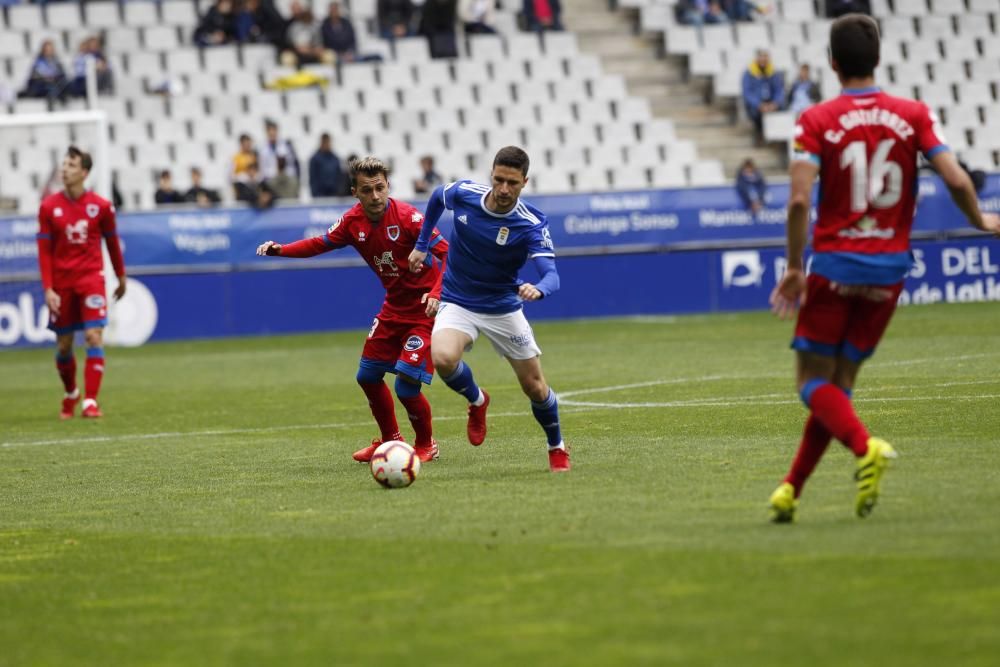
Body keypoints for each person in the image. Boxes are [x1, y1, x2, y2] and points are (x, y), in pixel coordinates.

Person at [767, 14, 1000, 523]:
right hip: (890, 271)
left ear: (832, 63)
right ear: (877, 59)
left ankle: (864, 448)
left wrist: (793, 265)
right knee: (839, 387)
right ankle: (790, 490)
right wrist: (980, 218)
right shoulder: (913, 114)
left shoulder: (814, 121)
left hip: (834, 264)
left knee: (810, 380)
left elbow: (798, 202)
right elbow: (958, 179)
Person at [256, 157, 450, 463]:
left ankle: (426, 444)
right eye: (367, 190)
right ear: (354, 192)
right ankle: (390, 441)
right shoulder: (352, 221)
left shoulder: (410, 218)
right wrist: (282, 250)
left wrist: (437, 293)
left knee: (406, 386)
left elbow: (449, 256)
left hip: (424, 313)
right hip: (393, 309)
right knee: (368, 375)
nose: (375, 196)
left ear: (388, 186)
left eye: (380, 188)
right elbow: (320, 243)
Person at [406, 146, 569, 472]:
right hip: (458, 299)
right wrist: (422, 245)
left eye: (512, 182)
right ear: (491, 175)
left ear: (525, 181)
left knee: (535, 387)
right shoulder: (465, 194)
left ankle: (557, 445)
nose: (504, 189)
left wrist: (539, 289)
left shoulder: (531, 223)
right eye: (499, 180)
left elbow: (552, 275)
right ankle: (478, 400)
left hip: (502, 307)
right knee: (443, 359)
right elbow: (437, 196)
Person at [37, 146, 127, 419]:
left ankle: (90, 401)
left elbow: (112, 244)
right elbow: (45, 251)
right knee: (64, 345)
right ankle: (71, 393)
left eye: (72, 165)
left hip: (91, 279)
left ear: (85, 172)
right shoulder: (49, 207)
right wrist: (48, 288)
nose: (65, 169)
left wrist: (121, 277)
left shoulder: (100, 207)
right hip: (62, 283)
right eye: (64, 164)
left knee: (93, 335)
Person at [742, 49, 784, 142]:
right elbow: (747, 93)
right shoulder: (749, 73)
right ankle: (759, 134)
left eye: (765, 56)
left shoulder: (774, 72)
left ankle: (777, 137)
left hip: (771, 102)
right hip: (757, 104)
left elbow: (779, 90)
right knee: (755, 112)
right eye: (761, 56)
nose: (763, 59)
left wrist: (775, 103)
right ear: (757, 58)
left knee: (782, 108)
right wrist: (759, 105)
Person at [309, 133, 344, 198]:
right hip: (320, 195)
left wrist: (339, 192)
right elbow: (313, 179)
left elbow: (339, 176)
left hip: (334, 194)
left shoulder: (335, 158)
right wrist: (316, 195)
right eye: (325, 142)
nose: (327, 144)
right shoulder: (315, 159)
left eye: (328, 142)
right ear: (321, 142)